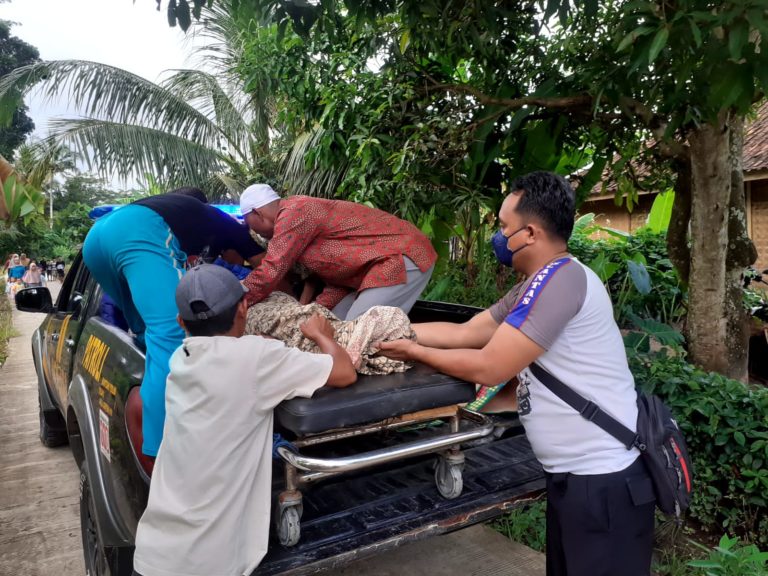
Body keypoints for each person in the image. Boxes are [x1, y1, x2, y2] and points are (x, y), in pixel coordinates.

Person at [379, 171, 655, 576]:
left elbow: (492, 365)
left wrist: (413, 351)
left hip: (604, 481)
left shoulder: (562, 281)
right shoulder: (535, 284)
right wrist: (386, 329)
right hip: (576, 480)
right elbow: (467, 333)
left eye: (503, 227)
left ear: (529, 233)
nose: (499, 236)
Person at [132, 264, 356, 576]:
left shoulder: (181, 359)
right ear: (244, 307)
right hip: (209, 564)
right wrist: (322, 335)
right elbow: (345, 372)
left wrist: (259, 346)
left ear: (181, 322)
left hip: (154, 555)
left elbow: (231, 360)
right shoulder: (258, 358)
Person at [82, 187, 265, 459]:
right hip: (135, 230)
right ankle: (163, 451)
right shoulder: (226, 224)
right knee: (173, 334)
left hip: (96, 240)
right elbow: (267, 266)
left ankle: (159, 440)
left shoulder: (179, 215)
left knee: (146, 329)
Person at [239, 184, 438, 320]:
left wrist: (236, 301)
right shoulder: (296, 221)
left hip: (400, 256)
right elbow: (337, 278)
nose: (253, 231)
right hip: (370, 270)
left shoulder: (294, 212)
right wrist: (312, 311)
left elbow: (272, 269)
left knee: (358, 330)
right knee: (332, 323)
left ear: (256, 213)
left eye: (250, 225)